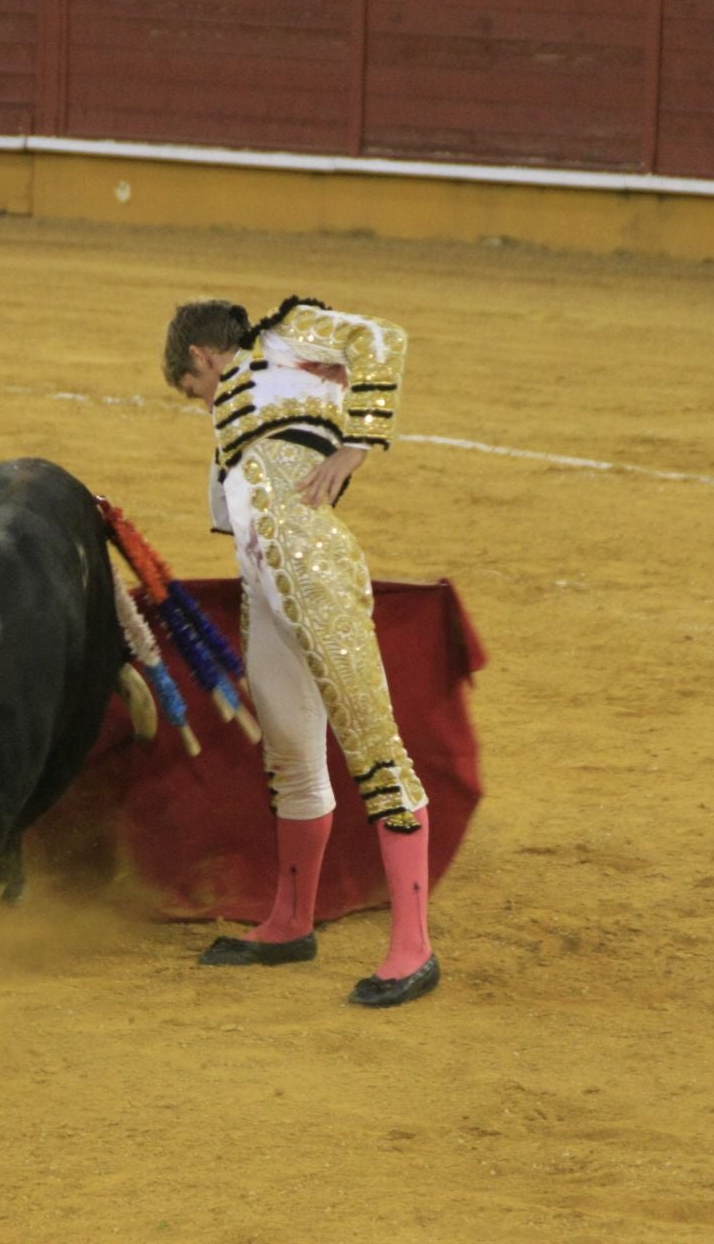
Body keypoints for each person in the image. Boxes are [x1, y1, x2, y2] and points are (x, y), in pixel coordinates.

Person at [162, 295, 439, 1008]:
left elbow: (383, 334)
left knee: (375, 750)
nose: (203, 404)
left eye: (194, 391)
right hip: (267, 586)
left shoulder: (285, 337)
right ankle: (290, 922)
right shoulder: (236, 429)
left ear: (200, 357)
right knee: (291, 756)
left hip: (313, 569)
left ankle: (413, 949)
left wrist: (358, 443)